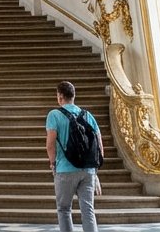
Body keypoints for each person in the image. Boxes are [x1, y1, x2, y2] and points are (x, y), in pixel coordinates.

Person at [46, 81, 103, 232]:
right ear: (74, 96)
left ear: (60, 97)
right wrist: (95, 171)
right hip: (88, 170)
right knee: (88, 210)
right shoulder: (88, 115)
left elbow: (50, 144)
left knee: (64, 209)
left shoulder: (54, 115)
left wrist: (53, 164)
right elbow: (99, 146)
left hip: (65, 169)